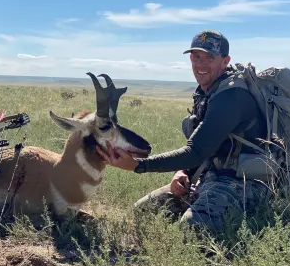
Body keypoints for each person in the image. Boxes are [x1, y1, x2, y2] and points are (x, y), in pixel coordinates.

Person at [96, 29, 273, 235]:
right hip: (210, 175)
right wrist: (183, 172)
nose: (201, 64)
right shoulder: (207, 91)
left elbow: (195, 151)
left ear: (225, 61)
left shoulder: (231, 96)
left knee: (190, 230)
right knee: (144, 212)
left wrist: (138, 165)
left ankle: (249, 226)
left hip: (243, 183)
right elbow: (207, 146)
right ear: (190, 58)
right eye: (197, 57)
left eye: (210, 58)